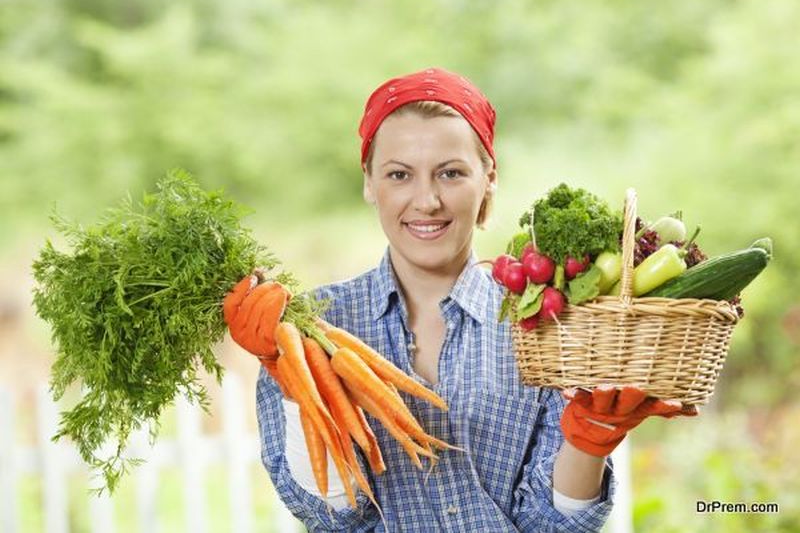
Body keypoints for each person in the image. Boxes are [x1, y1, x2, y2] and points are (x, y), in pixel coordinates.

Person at [225, 67, 696, 532]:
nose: (427, 200)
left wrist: (590, 442)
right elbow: (336, 518)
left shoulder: (545, 321)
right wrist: (290, 376)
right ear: (369, 182)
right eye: (399, 174)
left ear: (488, 179)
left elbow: (553, 524)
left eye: (451, 173)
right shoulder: (310, 327)